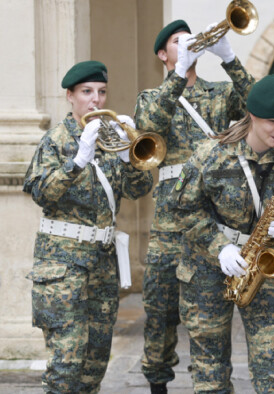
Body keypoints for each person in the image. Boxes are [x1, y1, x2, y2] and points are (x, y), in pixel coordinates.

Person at [134, 19, 255, 393]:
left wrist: (230, 60)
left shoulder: (219, 93)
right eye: (176, 41)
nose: (186, 43)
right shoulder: (151, 97)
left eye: (189, 39)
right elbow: (149, 126)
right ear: (162, 53)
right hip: (170, 223)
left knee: (211, 315)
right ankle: (157, 382)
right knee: (161, 312)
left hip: (212, 220)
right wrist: (176, 76)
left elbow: (258, 105)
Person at [170, 74, 274, 393]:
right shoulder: (211, 153)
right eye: (273, 122)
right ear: (252, 117)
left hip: (262, 263)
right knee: (210, 368)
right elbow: (182, 208)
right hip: (207, 266)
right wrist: (220, 247)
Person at [24, 60, 154, 393]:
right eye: (86, 92)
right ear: (70, 96)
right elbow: (41, 193)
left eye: (101, 92)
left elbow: (139, 192)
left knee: (95, 363)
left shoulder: (111, 141)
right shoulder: (55, 141)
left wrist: (129, 159)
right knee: (66, 365)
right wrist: (77, 160)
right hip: (62, 267)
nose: (95, 100)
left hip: (101, 265)